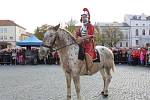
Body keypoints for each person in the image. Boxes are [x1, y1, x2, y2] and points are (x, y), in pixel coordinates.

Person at [76, 8, 96, 74]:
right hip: (81, 43)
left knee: (86, 54)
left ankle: (88, 69)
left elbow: (91, 35)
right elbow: (78, 35)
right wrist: (77, 37)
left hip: (88, 43)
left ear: (87, 18)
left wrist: (83, 38)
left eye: (84, 17)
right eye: (82, 17)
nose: (83, 18)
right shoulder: (80, 27)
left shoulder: (90, 26)